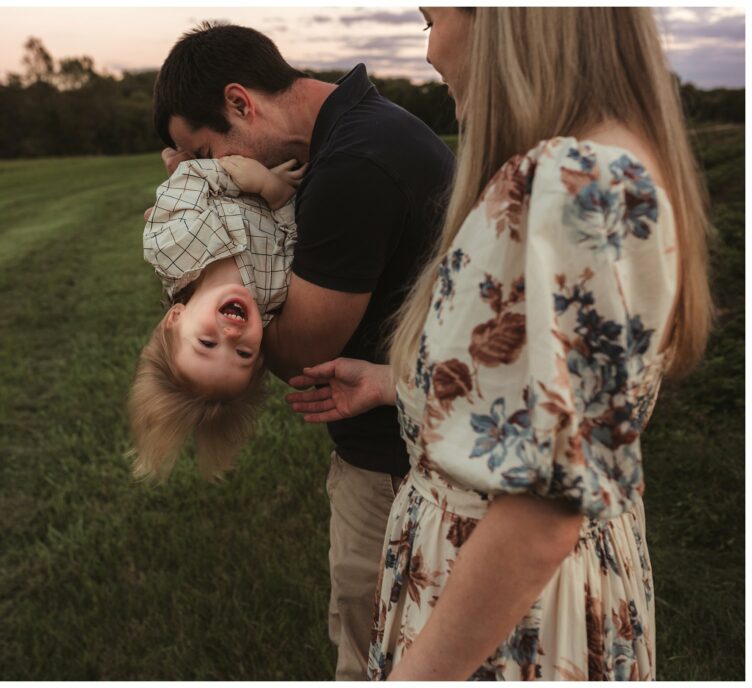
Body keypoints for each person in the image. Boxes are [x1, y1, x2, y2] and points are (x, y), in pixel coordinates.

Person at [286, 7, 712, 680]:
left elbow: (541, 512)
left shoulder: (577, 181)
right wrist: (399, 380)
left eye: (434, 17)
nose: (430, 51)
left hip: (503, 625)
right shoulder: (588, 165)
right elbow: (552, 399)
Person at [150, 22, 455, 679]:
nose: (205, 171)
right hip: (409, 428)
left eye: (205, 151)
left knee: (373, 655)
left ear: (240, 103)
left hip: (399, 463)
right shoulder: (358, 133)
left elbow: (299, 352)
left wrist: (217, 290)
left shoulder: (354, 163)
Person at [128, 154, 305, 482]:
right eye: (243, 355)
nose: (232, 337)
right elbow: (292, 233)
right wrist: (272, 191)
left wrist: (242, 176)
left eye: (207, 343)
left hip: (216, 158)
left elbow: (190, 177)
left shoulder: (172, 247)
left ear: (176, 317)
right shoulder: (276, 291)